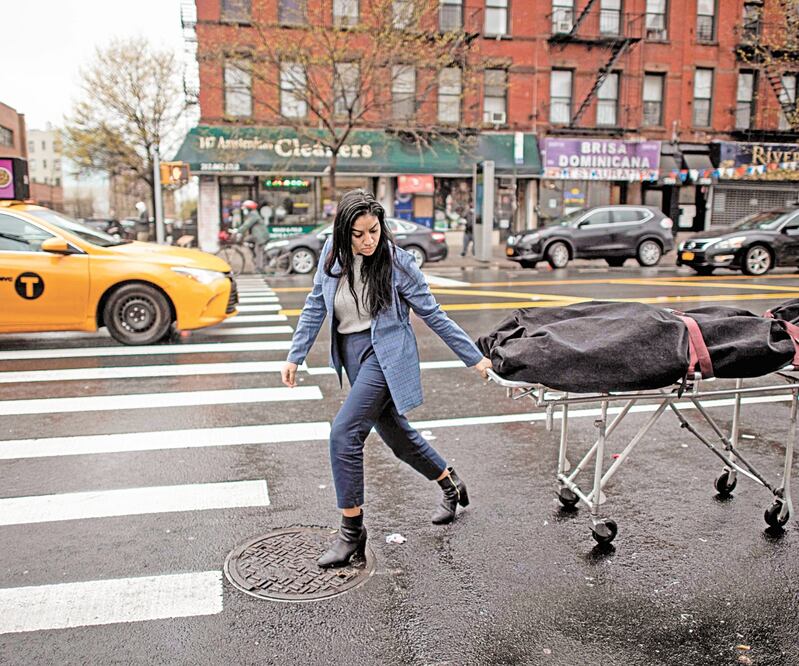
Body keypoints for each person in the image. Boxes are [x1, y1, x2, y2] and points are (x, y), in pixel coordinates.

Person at [281, 189, 492, 569]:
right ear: (344, 231)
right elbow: (316, 304)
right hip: (351, 353)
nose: (368, 241)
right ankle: (450, 482)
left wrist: (474, 358)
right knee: (396, 436)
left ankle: (351, 534)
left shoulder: (397, 261)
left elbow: (434, 313)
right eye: (358, 234)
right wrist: (295, 354)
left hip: (384, 354)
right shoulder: (331, 253)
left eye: (374, 231)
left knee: (344, 434)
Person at [236, 200, 270, 271]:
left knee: (258, 250)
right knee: (246, 240)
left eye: (245, 208)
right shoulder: (251, 214)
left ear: (249, 208)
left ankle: (259, 267)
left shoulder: (254, 215)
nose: (244, 210)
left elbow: (247, 225)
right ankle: (254, 256)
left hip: (260, 237)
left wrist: (238, 231)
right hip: (256, 235)